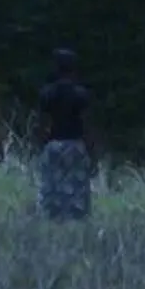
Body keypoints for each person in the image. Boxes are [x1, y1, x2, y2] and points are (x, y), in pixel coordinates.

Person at [35, 48, 95, 221]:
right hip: (75, 144)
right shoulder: (81, 94)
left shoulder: (47, 93)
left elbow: (41, 122)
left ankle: (53, 219)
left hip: (53, 143)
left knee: (52, 187)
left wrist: (40, 144)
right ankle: (75, 220)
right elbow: (87, 124)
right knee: (77, 189)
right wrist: (92, 149)